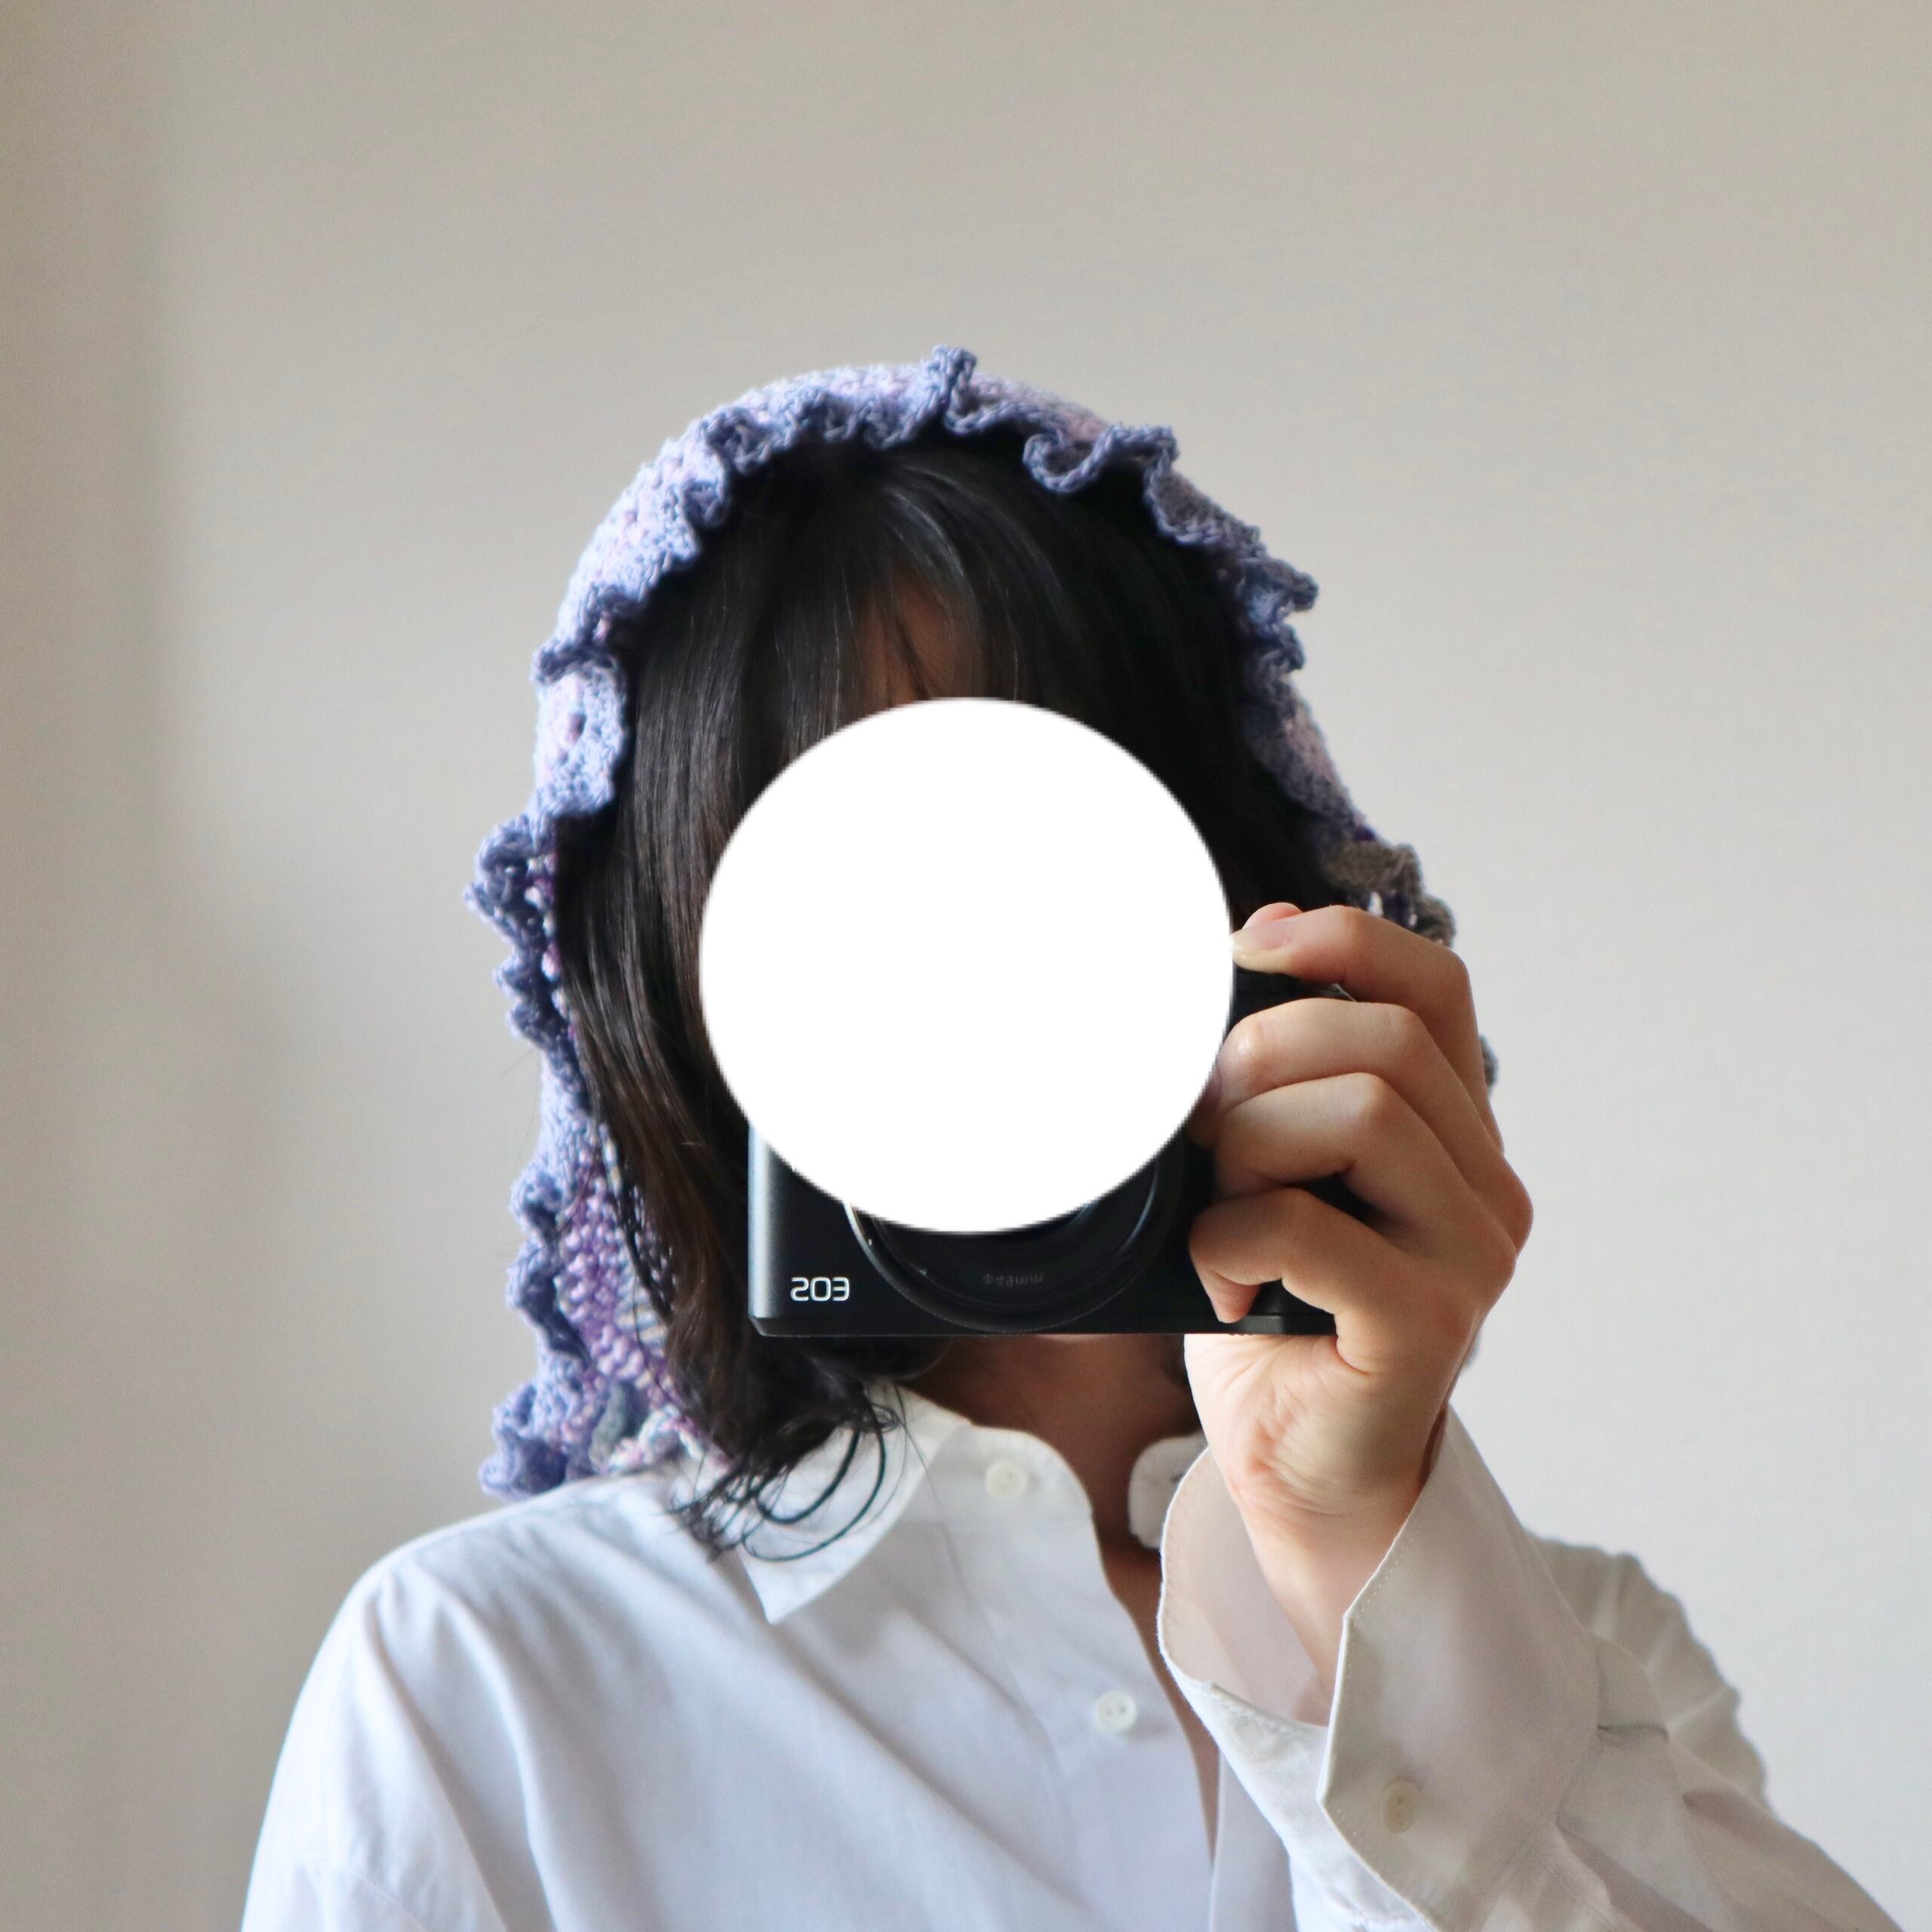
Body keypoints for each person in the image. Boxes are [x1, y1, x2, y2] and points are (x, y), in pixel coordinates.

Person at [239, 347, 1900, 1931]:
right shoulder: (487, 1684)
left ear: (1247, 894)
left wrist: (1353, 1556)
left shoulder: (1566, 1655)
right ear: (688, 1008)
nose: (968, 974)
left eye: (1039, 864)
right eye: (847, 897)